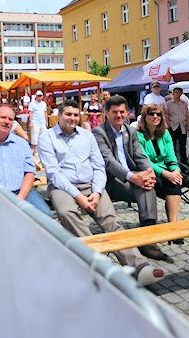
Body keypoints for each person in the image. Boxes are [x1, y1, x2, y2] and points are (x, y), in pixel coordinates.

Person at [38, 100, 166, 286]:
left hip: (91, 185)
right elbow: (54, 173)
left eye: (75, 115)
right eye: (68, 114)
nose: (72, 118)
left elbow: (98, 166)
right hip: (62, 187)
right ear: (59, 115)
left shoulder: (87, 136)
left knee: (111, 220)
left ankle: (139, 266)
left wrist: (97, 192)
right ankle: (99, 260)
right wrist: (79, 197)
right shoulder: (47, 138)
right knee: (67, 213)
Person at [92, 95, 172, 262]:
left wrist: (148, 172)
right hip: (111, 182)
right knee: (144, 185)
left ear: (127, 113)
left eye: (122, 112)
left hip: (132, 178)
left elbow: (139, 156)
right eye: (115, 112)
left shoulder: (131, 131)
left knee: (148, 186)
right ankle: (147, 240)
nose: (119, 115)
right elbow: (109, 162)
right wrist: (132, 176)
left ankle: (147, 237)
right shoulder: (99, 133)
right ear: (106, 113)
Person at [0, 104, 51, 217]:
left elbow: (29, 173)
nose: (7, 121)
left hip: (23, 192)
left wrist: (19, 200)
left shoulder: (21, 144)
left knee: (46, 217)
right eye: (3, 117)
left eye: (10, 119)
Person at [137, 104, 184, 236]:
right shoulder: (138, 135)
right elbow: (145, 161)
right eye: (152, 114)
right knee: (165, 180)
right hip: (147, 170)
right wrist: (166, 174)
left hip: (165, 170)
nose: (155, 116)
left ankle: (173, 226)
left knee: (175, 181)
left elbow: (171, 155)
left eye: (158, 114)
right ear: (145, 117)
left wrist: (175, 170)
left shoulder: (165, 133)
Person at [166, 87, 189, 166]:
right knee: (172, 144)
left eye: (179, 92)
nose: (177, 94)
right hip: (173, 125)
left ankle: (184, 160)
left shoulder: (184, 103)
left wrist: (188, 124)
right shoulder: (169, 103)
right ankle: (173, 160)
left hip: (182, 126)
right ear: (173, 93)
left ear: (181, 93)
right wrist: (168, 124)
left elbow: (187, 114)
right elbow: (166, 114)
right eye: (176, 92)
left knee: (183, 144)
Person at [28, 90, 48, 156]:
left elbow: (45, 113)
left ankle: (42, 150)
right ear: (36, 96)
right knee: (35, 136)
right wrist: (31, 122)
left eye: (41, 95)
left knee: (43, 136)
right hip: (35, 122)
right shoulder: (32, 103)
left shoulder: (43, 103)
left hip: (42, 122)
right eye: (38, 96)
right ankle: (35, 150)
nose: (40, 97)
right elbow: (30, 113)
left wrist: (46, 121)